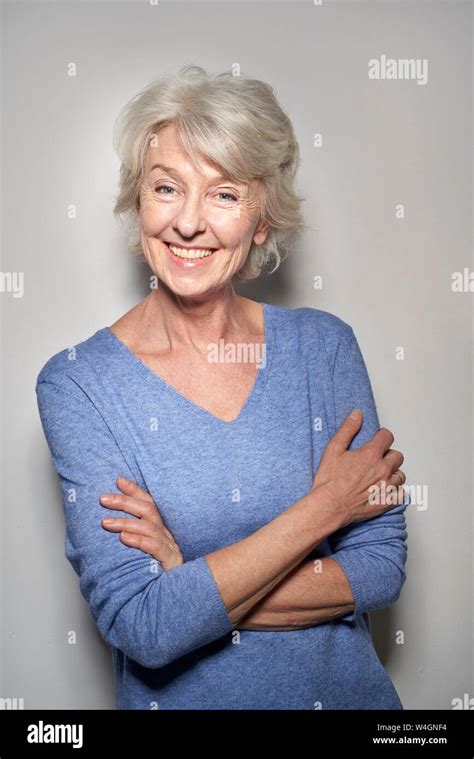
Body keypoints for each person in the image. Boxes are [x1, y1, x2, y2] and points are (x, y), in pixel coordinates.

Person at [36, 65, 409, 710]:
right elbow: (144, 626)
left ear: (262, 221)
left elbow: (379, 569)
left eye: (224, 195)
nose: (187, 223)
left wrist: (187, 579)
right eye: (166, 187)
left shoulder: (324, 348)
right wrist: (325, 510)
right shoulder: (78, 383)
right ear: (137, 202)